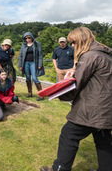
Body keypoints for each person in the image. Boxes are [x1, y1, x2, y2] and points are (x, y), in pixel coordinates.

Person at [41, 27, 112, 171]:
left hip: (91, 110)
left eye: (73, 42)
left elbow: (76, 85)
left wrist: (59, 90)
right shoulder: (105, 55)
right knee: (103, 142)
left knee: (68, 135)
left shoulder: (90, 56)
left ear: (80, 41)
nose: (72, 46)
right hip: (106, 109)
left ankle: (59, 169)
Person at [18, 32, 45, 101]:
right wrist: (20, 65)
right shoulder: (23, 45)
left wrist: (40, 64)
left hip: (34, 63)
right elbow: (20, 56)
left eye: (29, 37)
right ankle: (30, 93)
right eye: (26, 38)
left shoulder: (37, 44)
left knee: (35, 77)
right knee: (27, 78)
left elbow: (40, 55)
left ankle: (41, 95)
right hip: (26, 63)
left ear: (32, 37)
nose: (27, 39)